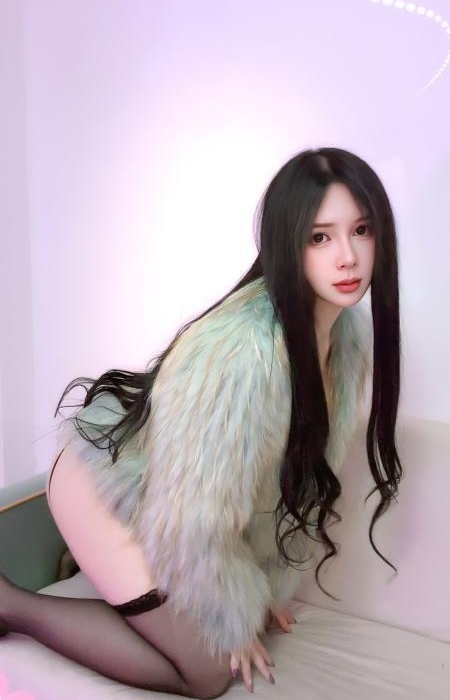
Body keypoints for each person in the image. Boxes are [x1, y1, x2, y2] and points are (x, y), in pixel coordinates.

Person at [0, 147, 402, 698]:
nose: (348, 257)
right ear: (288, 243)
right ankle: (10, 603)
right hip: (105, 483)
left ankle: (110, 576)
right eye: (320, 237)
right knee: (208, 672)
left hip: (169, 488)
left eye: (361, 230)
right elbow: (192, 519)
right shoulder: (244, 353)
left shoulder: (347, 339)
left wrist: (261, 593)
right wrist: (233, 615)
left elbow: (274, 486)